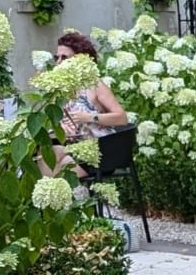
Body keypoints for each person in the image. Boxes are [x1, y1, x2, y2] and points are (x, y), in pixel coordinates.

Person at [39, 31, 129, 179]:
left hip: (100, 152)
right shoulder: (61, 90)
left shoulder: (95, 85)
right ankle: (52, 196)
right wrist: (60, 129)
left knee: (62, 168)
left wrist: (89, 117)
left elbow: (121, 118)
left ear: (80, 60)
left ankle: (74, 197)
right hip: (74, 147)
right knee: (45, 153)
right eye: (57, 57)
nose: (58, 62)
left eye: (64, 57)